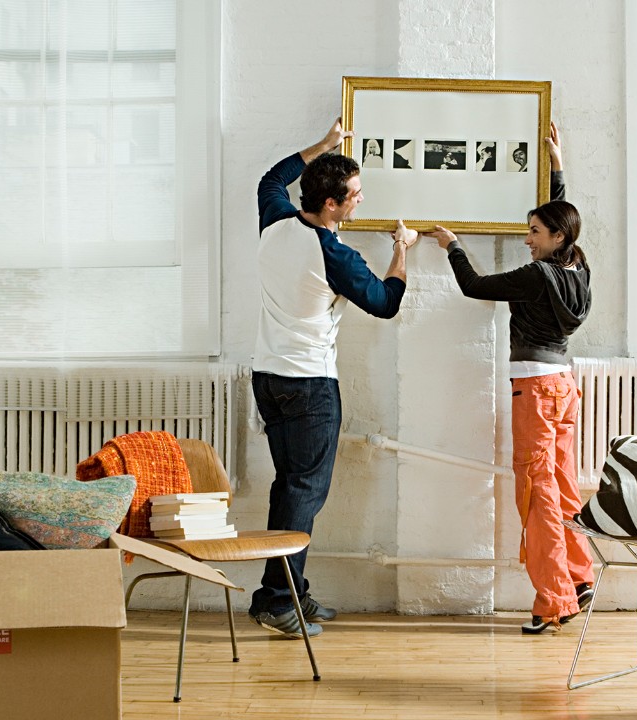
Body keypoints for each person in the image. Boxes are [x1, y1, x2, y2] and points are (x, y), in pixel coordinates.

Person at [252, 118, 419, 638]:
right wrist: (402, 249)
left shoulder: (277, 221)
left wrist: (323, 147)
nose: (360, 202)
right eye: (355, 196)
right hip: (308, 386)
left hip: (268, 377)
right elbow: (386, 302)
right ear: (332, 205)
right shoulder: (332, 253)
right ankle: (281, 601)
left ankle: (280, 594)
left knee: (289, 488)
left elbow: (270, 181)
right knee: (304, 492)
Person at [426, 122, 594, 634]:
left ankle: (554, 600)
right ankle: (581, 576)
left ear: (556, 238)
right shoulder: (578, 269)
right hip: (563, 389)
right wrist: (556, 165)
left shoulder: (535, 276)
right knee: (561, 486)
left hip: (537, 392)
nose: (527, 239)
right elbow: (562, 217)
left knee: (537, 494)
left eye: (534, 233)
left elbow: (475, 286)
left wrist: (452, 244)